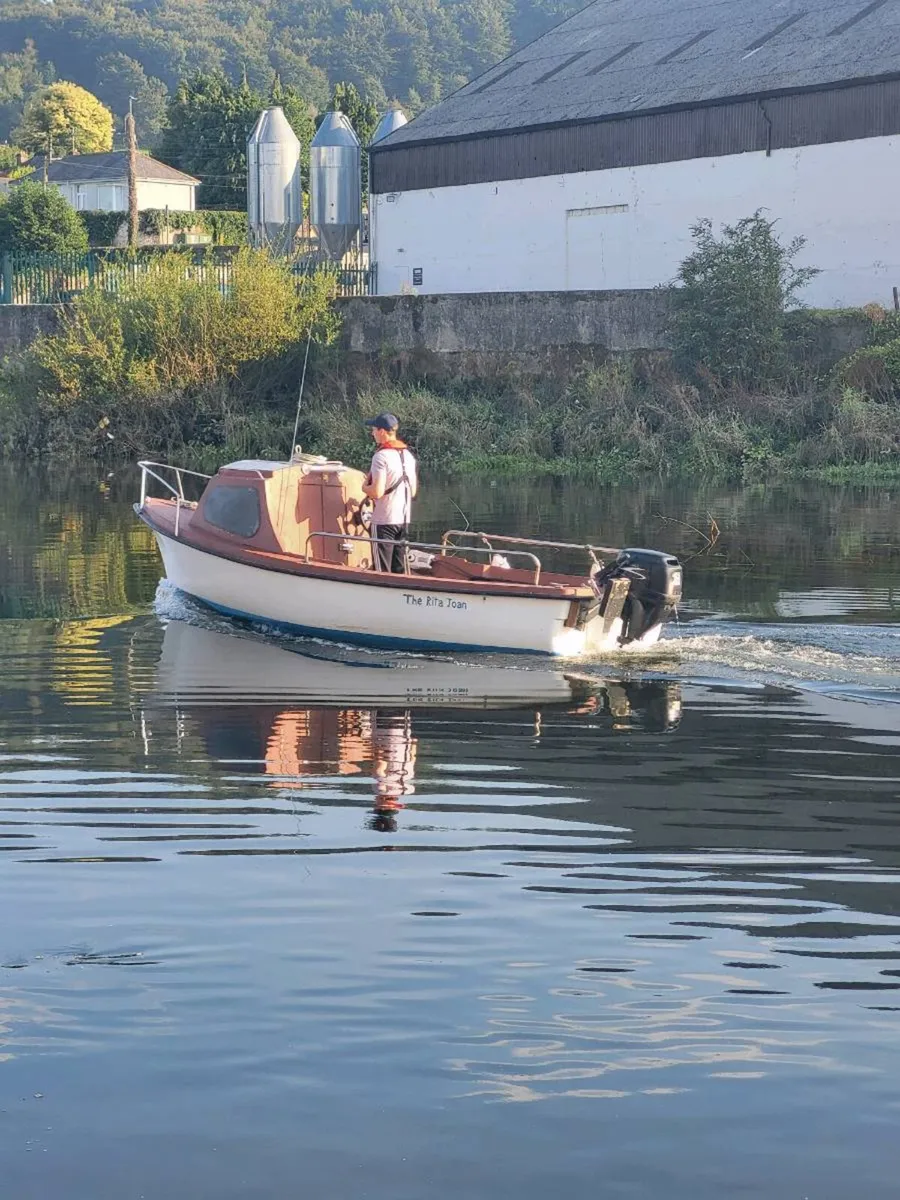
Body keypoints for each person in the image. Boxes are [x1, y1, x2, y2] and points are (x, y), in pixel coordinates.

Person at [362, 412, 418, 574]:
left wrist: (364, 487)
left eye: (373, 430)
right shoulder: (408, 456)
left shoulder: (381, 457)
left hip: (384, 521)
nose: (372, 433)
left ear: (382, 431)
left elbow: (377, 492)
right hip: (404, 520)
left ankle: (382, 597)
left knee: (382, 570)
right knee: (399, 569)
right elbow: (413, 492)